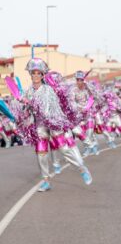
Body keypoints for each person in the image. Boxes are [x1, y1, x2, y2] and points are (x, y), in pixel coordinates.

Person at [11, 58, 92, 192]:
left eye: (38, 73)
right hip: (40, 126)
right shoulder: (29, 91)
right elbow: (26, 110)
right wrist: (21, 105)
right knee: (41, 154)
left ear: (43, 75)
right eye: (33, 73)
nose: (35, 75)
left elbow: (46, 110)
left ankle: (82, 168)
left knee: (64, 150)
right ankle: (46, 181)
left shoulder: (48, 90)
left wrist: (29, 103)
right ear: (30, 74)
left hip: (54, 125)